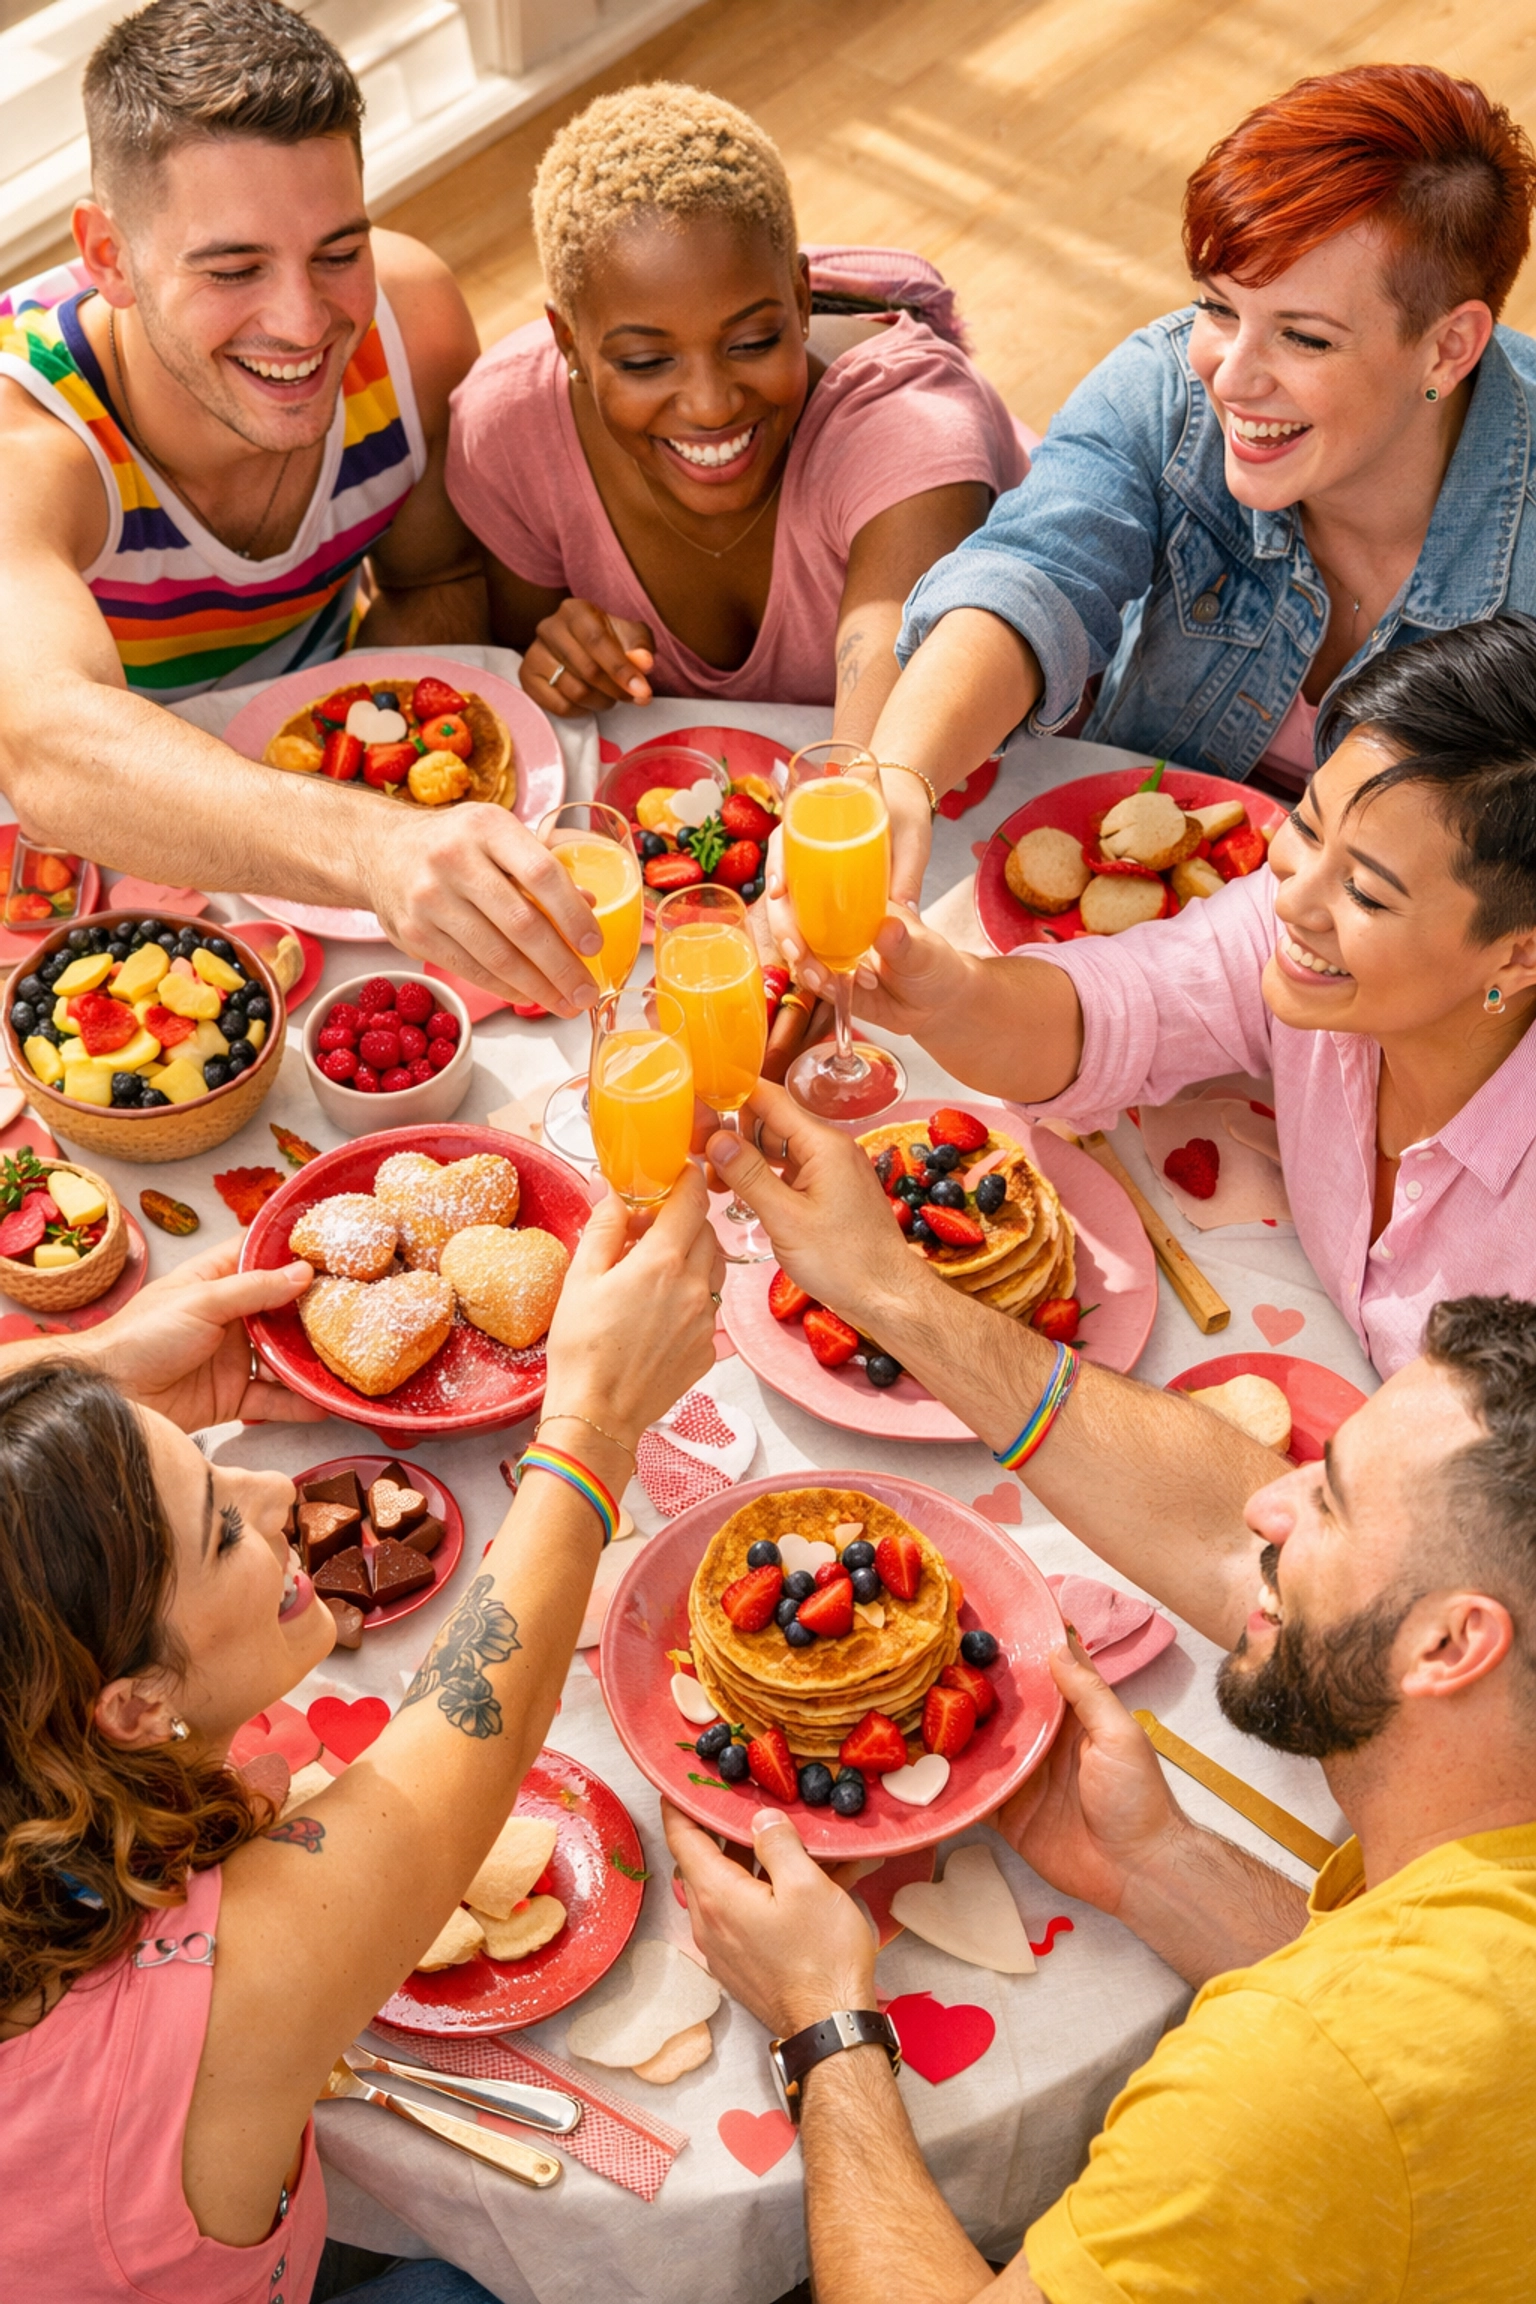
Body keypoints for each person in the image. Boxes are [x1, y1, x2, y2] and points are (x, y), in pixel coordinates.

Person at [665, 1291, 1536, 2302]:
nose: (1266, 1506)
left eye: (1329, 1503)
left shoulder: (1296, 2078)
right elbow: (1409, 2046)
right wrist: (1155, 1864)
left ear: (1451, 1644)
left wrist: (820, 2022)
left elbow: (1351, 2065)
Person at [0, 1180, 723, 2301]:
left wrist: (88, 1386)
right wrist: (593, 1428)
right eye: (223, 1526)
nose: (275, 1491)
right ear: (135, 1707)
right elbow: (473, 1733)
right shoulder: (197, 2002)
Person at [0, 0, 604, 1016]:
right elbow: (52, 751)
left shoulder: (407, 322)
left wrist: (394, 775)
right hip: (81, 866)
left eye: (337, 251)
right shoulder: (29, 437)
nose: (304, 322)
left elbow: (436, 581)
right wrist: (371, 841)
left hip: (328, 847)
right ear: (108, 257)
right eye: (233, 268)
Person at [781, 615, 1536, 1376]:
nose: (1290, 901)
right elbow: (1117, 1010)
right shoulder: (1310, 961)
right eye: (1306, 828)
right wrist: (945, 996)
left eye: (1367, 894)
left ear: (1521, 951)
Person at [856, 64, 1536, 906]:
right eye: (1219, 307)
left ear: (1448, 348)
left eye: (1306, 338)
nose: (1229, 377)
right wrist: (894, 778)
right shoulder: (1165, 387)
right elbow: (1031, 575)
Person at [445, 83, 1024, 740]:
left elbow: (882, 761)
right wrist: (568, 664)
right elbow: (527, 679)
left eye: (751, 343)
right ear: (568, 342)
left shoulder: (908, 430)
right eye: (644, 362)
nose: (712, 404)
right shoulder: (511, 427)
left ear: (802, 300)